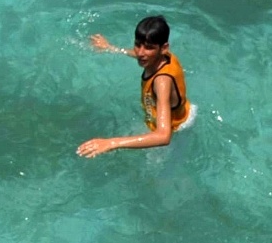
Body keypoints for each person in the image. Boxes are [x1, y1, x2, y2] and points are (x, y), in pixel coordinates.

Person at [78, 15, 191, 158]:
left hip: (175, 132)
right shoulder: (163, 57)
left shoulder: (162, 82)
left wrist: (111, 143)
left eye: (149, 48)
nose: (141, 53)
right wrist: (111, 48)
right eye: (138, 45)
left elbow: (163, 136)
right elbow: (142, 53)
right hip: (172, 116)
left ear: (164, 48)